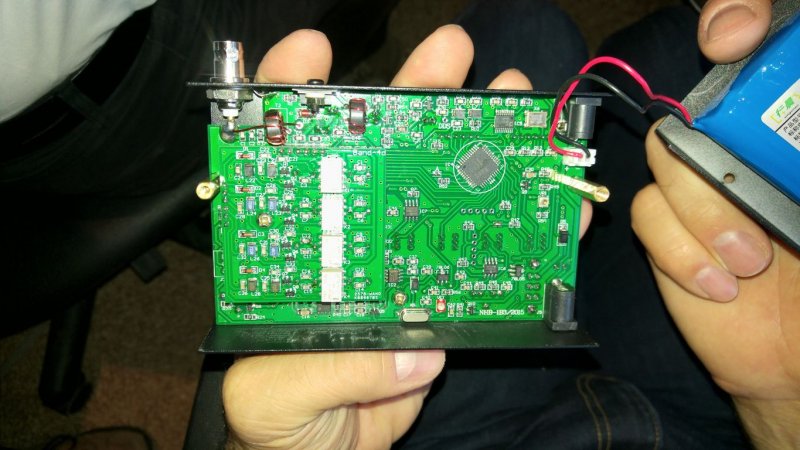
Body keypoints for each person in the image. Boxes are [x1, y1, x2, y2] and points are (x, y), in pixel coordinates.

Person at [220, 0, 800, 449]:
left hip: (458, 429)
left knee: (529, 26)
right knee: (562, 31)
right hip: (722, 415)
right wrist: (780, 408)